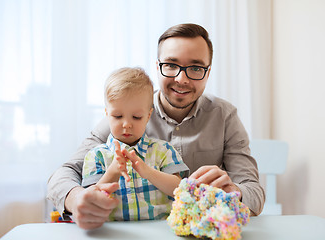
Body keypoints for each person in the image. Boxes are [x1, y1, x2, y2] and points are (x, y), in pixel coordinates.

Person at [47, 23, 265, 230]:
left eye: (196, 68)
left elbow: (254, 191)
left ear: (207, 73)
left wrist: (234, 191)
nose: (181, 79)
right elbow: (64, 173)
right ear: (158, 67)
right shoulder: (127, 113)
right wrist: (76, 200)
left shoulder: (225, 116)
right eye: (171, 65)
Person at [82, 67, 188, 221]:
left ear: (148, 116)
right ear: (107, 114)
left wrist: (147, 172)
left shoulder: (164, 150)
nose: (126, 124)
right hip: (113, 233)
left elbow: (180, 190)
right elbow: (90, 201)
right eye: (117, 116)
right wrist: (112, 173)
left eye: (136, 117)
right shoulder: (96, 156)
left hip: (160, 230)